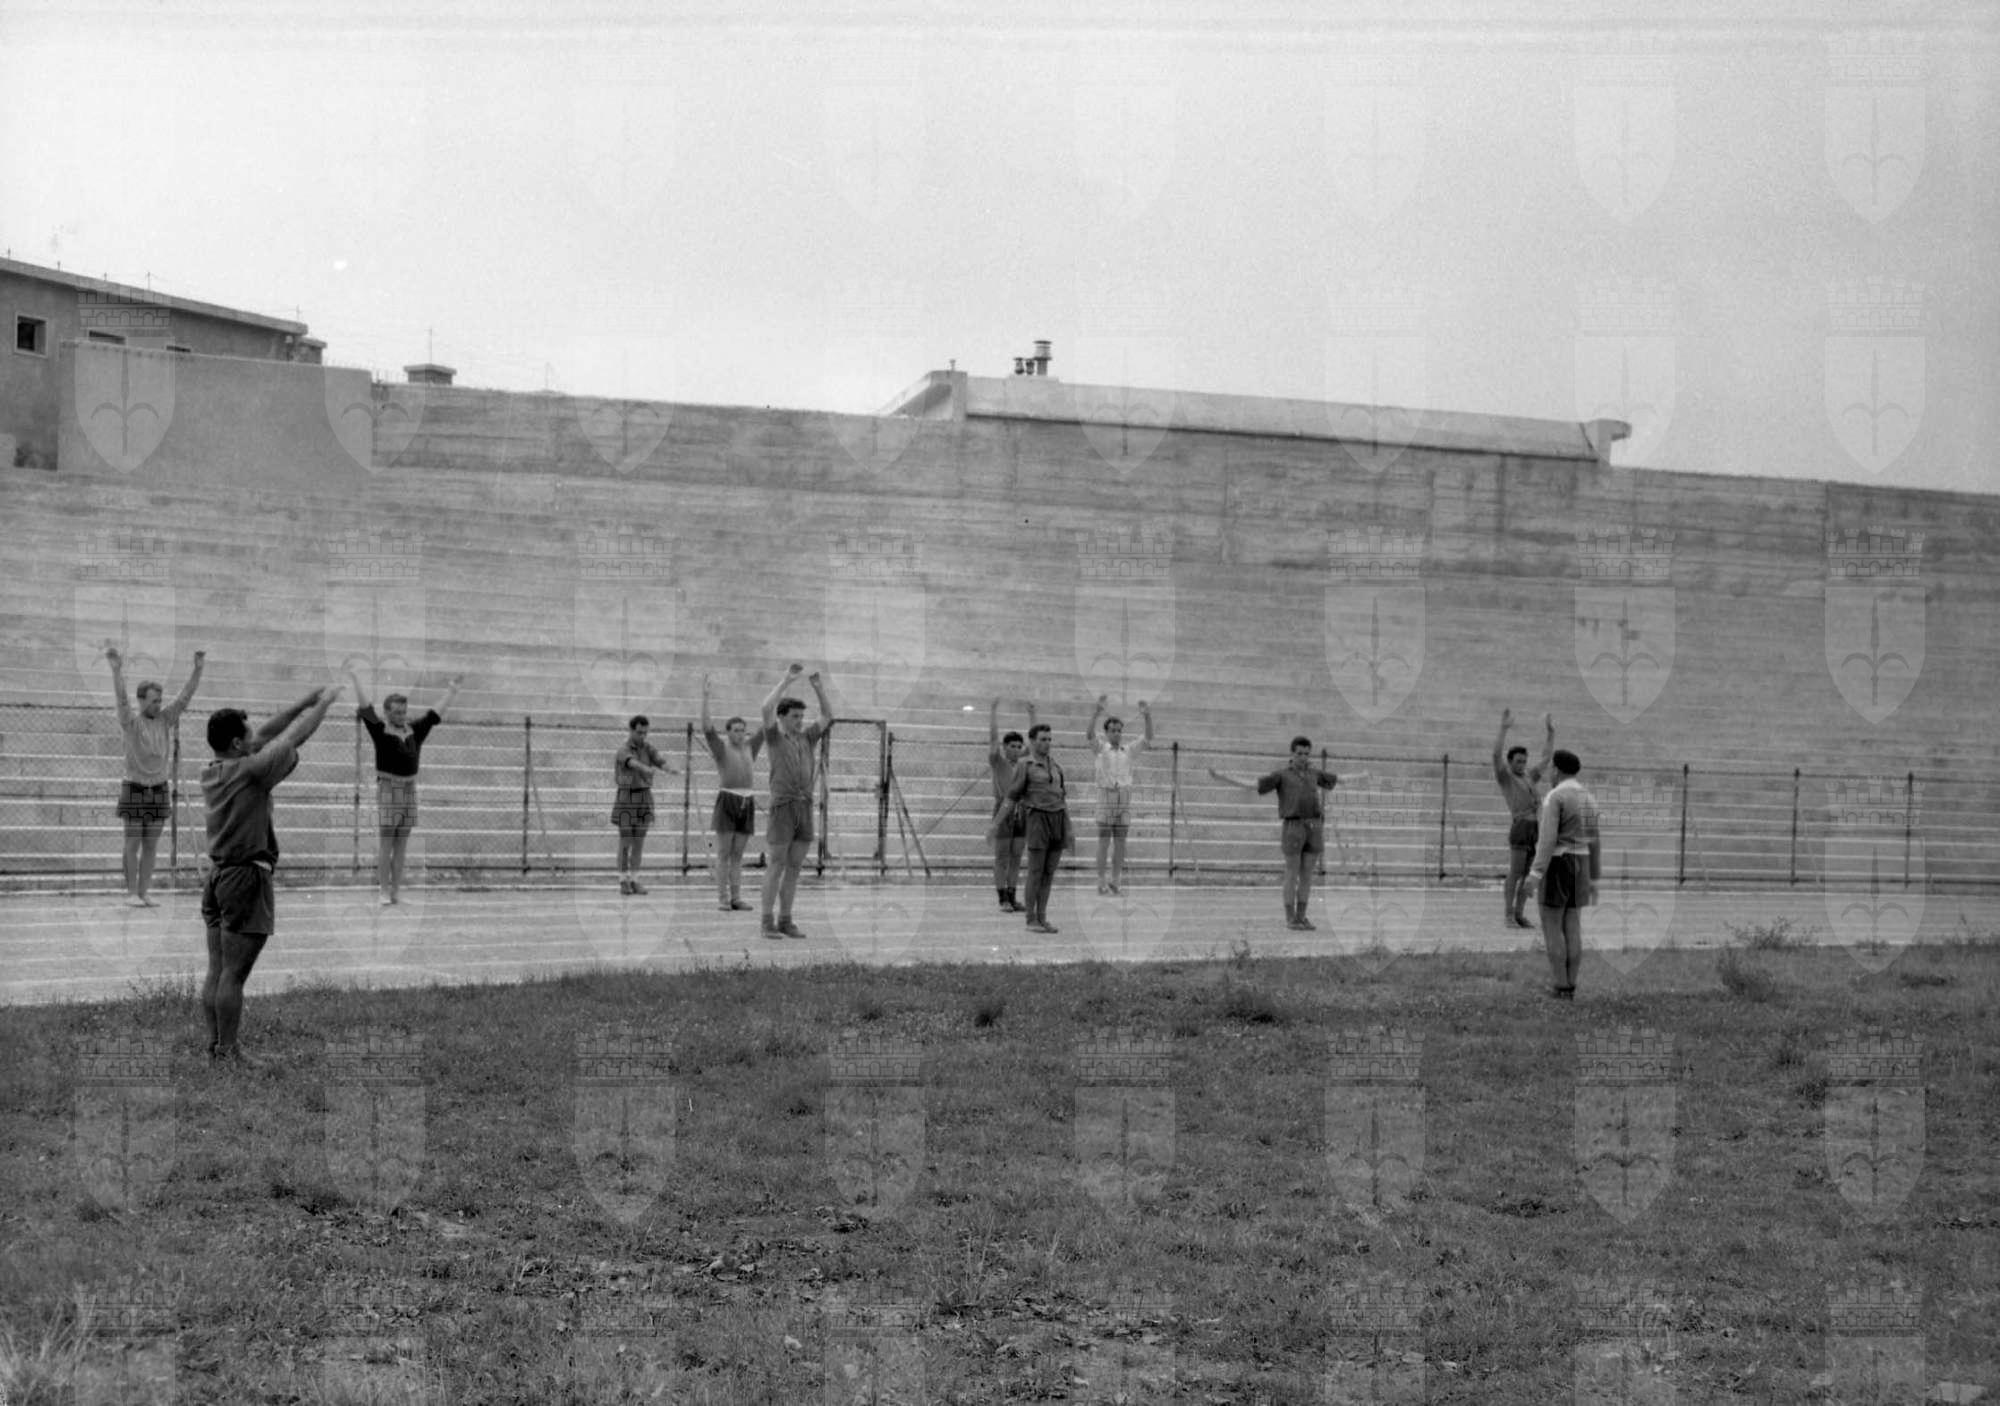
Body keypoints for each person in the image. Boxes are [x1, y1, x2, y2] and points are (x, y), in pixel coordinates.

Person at [199, 682, 343, 1064]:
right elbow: (296, 737)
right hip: (245, 879)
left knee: (217, 969)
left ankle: (215, 1045)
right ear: (236, 744)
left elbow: (264, 735)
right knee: (234, 974)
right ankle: (229, 1052)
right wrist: (325, 704)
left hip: (217, 878)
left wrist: (304, 700)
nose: (256, 739)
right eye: (247, 737)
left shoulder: (214, 770)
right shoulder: (251, 771)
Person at [105, 644, 205, 907]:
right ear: (141, 701)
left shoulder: (164, 720)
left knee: (151, 843)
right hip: (135, 787)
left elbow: (184, 699)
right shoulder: (131, 722)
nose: (158, 705)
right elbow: (121, 700)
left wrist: (197, 670)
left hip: (159, 788)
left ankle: (144, 891)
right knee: (132, 842)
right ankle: (131, 893)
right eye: (153, 701)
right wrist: (116, 671)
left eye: (160, 701)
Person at [349, 670, 460, 906]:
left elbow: (433, 715)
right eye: (396, 712)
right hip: (389, 788)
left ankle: (396, 891)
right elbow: (366, 708)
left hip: (409, 789)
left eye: (403, 712)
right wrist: (357, 680)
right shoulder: (380, 731)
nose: (401, 716)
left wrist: (451, 692)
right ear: (387, 713)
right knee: (387, 841)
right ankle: (383, 890)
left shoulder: (414, 731)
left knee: (402, 844)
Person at [1210, 737, 1339, 931]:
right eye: (1299, 753)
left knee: (1307, 875)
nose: (1303, 757)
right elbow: (1252, 785)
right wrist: (1223, 777)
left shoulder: (1314, 773)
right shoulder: (1282, 775)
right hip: (1294, 825)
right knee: (1292, 872)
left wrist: (1363, 776)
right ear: (1292, 753)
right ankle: (1290, 918)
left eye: (1306, 754)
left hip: (1314, 825)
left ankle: (1302, 916)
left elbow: (1338, 780)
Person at [760, 664, 834, 939]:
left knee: (794, 867)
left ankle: (785, 919)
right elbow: (765, 708)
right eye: (794, 716)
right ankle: (766, 921)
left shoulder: (807, 738)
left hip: (804, 807)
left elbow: (828, 716)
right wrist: (785, 681)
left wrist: (818, 688)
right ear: (782, 717)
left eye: (801, 716)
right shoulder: (774, 737)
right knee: (776, 864)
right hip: (783, 807)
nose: (800, 721)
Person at [1523, 748, 1602, 1000]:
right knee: (1573, 926)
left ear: (1556, 769)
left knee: (1552, 926)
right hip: (1583, 862)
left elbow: (1547, 839)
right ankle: (1571, 984)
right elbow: (1595, 840)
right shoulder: (1589, 797)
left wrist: (1535, 873)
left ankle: (1560, 985)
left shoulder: (1556, 796)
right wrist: (1594, 876)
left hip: (1559, 862)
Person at [989, 722, 1070, 935]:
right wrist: (995, 824)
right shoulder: (1025, 765)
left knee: (1049, 873)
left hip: (1057, 821)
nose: (1047, 743)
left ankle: (1042, 917)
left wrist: (1069, 830)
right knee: (1035, 871)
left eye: (1049, 739)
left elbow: (1062, 799)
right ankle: (1031, 919)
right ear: (1033, 742)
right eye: (1043, 739)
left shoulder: (1056, 766)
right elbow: (1011, 798)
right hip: (1037, 820)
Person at [701, 674, 764, 913]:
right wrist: (706, 697)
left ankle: (736, 897)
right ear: (728, 733)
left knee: (738, 855)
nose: (740, 734)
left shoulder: (750, 747)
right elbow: (707, 728)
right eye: (736, 730)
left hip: (747, 801)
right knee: (724, 852)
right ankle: (722, 898)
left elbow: (766, 726)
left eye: (742, 731)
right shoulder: (721, 748)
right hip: (728, 799)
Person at [1494, 708, 1557, 929]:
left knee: (1529, 873)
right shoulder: (1506, 777)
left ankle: (1520, 914)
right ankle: (1508, 914)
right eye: (1518, 761)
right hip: (1521, 826)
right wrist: (1503, 729)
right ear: (1510, 762)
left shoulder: (1528, 776)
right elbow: (1495, 757)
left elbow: (1546, 759)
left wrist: (1550, 733)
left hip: (1534, 827)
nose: (1521, 765)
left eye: (1524, 761)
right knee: (1515, 872)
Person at [1087, 695, 1153, 896]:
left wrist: (1147, 716)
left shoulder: (1128, 750)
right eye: (1112, 730)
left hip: (1124, 796)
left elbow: (1148, 738)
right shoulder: (1101, 748)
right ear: (1106, 732)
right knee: (1104, 840)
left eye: (1119, 730)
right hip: (1106, 794)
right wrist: (1096, 712)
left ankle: (1116, 881)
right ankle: (1101, 881)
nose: (1116, 733)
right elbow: (1089, 735)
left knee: (1120, 842)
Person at [613, 716, 676, 895]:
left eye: (645, 733)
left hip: (644, 797)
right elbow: (632, 762)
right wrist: (645, 769)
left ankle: (635, 880)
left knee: (639, 842)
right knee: (625, 841)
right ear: (631, 730)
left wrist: (668, 768)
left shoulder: (648, 748)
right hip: (627, 797)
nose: (642, 736)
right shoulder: (623, 750)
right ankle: (623, 880)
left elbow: (659, 759)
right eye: (639, 732)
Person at [988, 699, 1036, 912]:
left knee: (1016, 856)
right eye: (1012, 746)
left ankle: (1012, 895)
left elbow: (1034, 742)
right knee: (1002, 857)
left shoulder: (1023, 762)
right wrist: (993, 712)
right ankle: (1002, 898)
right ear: (1005, 747)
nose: (1016, 750)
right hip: (1003, 810)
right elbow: (993, 739)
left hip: (1021, 811)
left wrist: (1032, 715)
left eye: (1018, 746)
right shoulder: (998, 761)